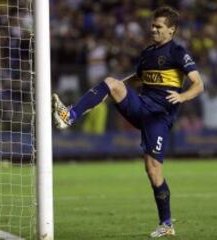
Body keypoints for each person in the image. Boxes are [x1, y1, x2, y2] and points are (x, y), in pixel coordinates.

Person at [52, 6, 204, 238]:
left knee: (153, 172)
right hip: (141, 106)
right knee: (111, 82)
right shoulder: (147, 53)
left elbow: (198, 84)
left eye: (158, 26)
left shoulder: (178, 52)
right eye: (152, 25)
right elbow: (137, 79)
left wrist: (182, 96)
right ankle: (69, 115)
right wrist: (113, 88)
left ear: (171, 30)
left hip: (159, 117)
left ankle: (166, 224)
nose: (153, 29)